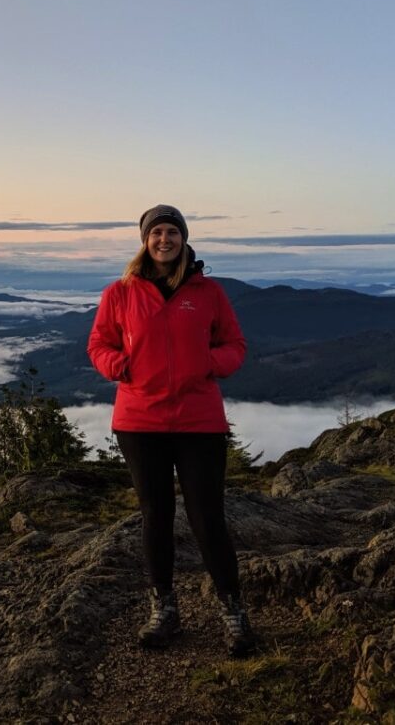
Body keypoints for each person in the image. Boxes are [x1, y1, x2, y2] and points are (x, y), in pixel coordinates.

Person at [87, 204, 257, 657]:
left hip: (198, 420)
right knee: (155, 515)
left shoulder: (208, 293)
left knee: (207, 518)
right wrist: (120, 367)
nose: (165, 239)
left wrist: (208, 364)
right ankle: (164, 609)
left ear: (184, 239)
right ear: (145, 240)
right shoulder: (120, 293)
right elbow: (98, 343)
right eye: (157, 232)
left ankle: (233, 612)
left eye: (172, 232)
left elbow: (235, 344)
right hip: (140, 421)